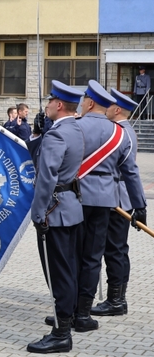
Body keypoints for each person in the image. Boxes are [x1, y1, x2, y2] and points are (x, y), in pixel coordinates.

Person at [44, 80, 148, 332]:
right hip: (105, 201)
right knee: (92, 259)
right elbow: (131, 172)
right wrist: (139, 204)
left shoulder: (75, 126)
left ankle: (66, 313)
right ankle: (83, 315)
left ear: (89, 102)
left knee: (72, 258)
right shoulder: (120, 133)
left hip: (75, 198)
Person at [25, 81, 85, 354]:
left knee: (58, 273)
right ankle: (67, 319)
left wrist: (38, 213)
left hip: (54, 213)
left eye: (50, 101)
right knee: (70, 269)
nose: (46, 105)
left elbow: (46, 176)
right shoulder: (75, 129)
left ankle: (61, 334)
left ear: (59, 105)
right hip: (71, 207)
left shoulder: (56, 135)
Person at [90, 89, 139, 317]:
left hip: (116, 199)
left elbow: (131, 172)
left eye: (109, 106)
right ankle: (116, 298)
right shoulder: (124, 130)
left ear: (117, 109)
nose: (105, 109)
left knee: (115, 251)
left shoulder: (121, 133)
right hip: (118, 197)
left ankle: (116, 300)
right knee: (116, 250)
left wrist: (141, 205)